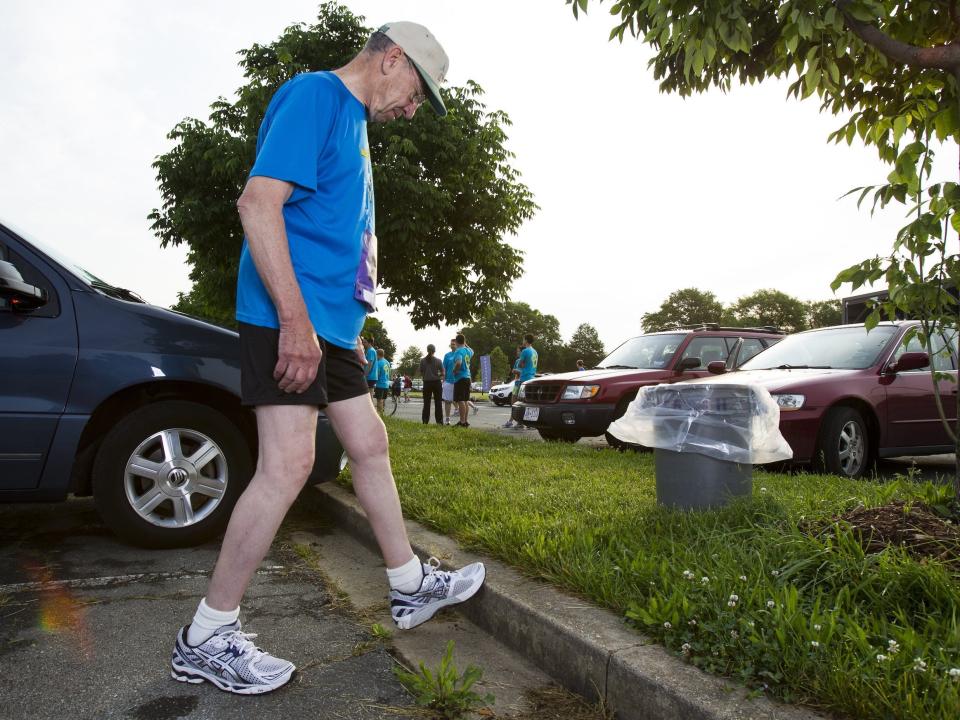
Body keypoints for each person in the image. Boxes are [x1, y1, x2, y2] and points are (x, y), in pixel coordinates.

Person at [170, 22, 485, 696]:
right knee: (287, 466)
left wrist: (346, 325)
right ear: (391, 60)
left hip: (329, 326)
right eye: (418, 93)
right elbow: (258, 206)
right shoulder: (316, 95)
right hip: (291, 319)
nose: (415, 109)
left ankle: (407, 585)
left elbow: (332, 232)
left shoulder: (352, 122)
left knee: (369, 444)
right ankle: (207, 635)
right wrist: (294, 322)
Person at [451, 334, 473, 427]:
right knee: (465, 400)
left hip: (460, 378)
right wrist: (465, 343)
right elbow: (472, 350)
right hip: (468, 377)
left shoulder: (458, 351)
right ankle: (465, 421)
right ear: (464, 341)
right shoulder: (469, 351)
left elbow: (459, 362)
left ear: (456, 342)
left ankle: (462, 422)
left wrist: (454, 371)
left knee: (460, 401)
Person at [419, 344, 444, 424]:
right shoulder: (439, 360)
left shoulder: (422, 361)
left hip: (427, 383)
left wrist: (426, 375)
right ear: (434, 351)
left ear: (427, 350)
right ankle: (439, 422)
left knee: (426, 403)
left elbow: (421, 372)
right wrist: (439, 376)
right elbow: (443, 372)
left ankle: (425, 421)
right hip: (437, 383)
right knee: (438, 403)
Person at [502, 345, 523, 428]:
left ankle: (519, 422)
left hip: (521, 383)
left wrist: (517, 371)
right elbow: (513, 370)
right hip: (516, 383)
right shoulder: (517, 361)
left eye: (518, 351)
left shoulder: (524, 360)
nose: (517, 352)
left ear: (523, 352)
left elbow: (523, 372)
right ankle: (511, 421)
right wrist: (515, 371)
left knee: (519, 403)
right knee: (513, 403)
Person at [441, 338, 456, 425]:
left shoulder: (460, 353)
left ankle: (462, 421)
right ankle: (447, 419)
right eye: (451, 344)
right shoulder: (447, 355)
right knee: (448, 401)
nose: (452, 345)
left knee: (461, 401)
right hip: (448, 381)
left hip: (458, 381)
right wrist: (443, 380)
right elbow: (444, 369)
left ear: (457, 344)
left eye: (454, 344)